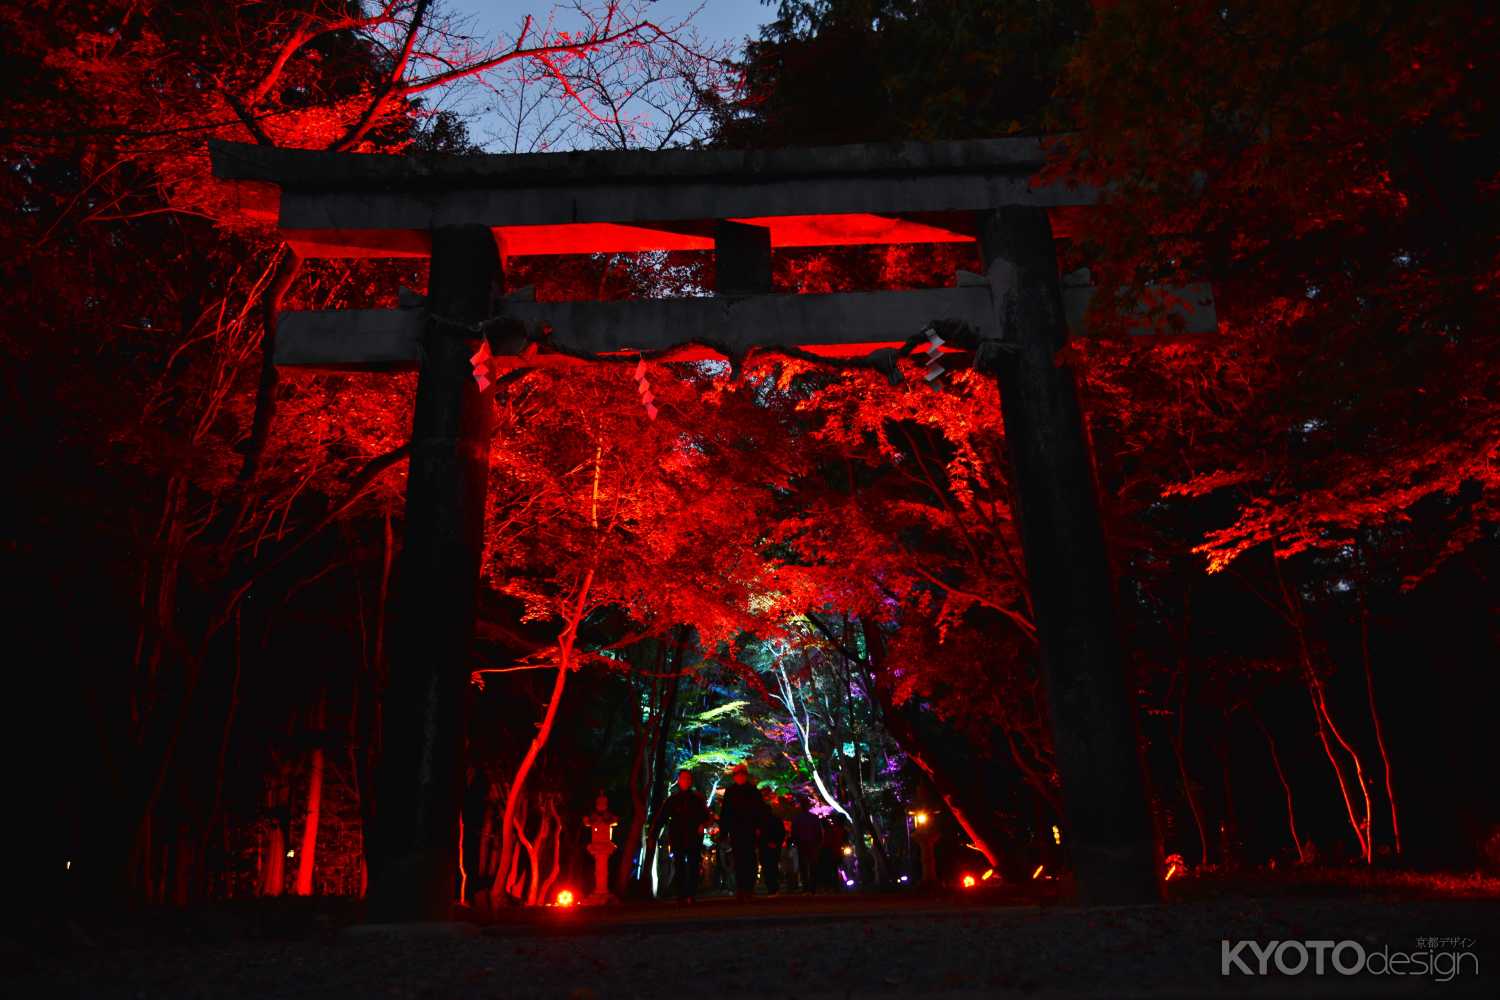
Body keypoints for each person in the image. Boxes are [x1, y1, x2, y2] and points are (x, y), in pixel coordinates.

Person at [658, 768, 711, 903]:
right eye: (683, 778)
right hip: (678, 836)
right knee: (679, 865)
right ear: (679, 780)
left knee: (693, 865)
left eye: (688, 778)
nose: (685, 781)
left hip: (694, 836)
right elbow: (663, 817)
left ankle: (691, 894)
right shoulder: (673, 799)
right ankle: (681, 894)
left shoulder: (697, 798)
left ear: (690, 781)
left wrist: (703, 825)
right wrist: (654, 833)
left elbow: (707, 817)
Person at [717, 763, 764, 901]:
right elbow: (725, 813)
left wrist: (759, 828)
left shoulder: (753, 791)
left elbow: (759, 811)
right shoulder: (731, 792)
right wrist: (724, 832)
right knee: (738, 860)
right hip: (736, 831)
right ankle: (741, 888)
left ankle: (748, 888)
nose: (740, 777)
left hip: (749, 830)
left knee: (749, 859)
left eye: (742, 774)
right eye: (738, 774)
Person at [790, 797, 822, 893]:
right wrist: (818, 843)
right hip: (811, 843)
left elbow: (794, 832)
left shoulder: (797, 818)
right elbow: (818, 832)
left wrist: (795, 841)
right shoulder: (813, 818)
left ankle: (806, 887)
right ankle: (812, 887)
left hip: (802, 843)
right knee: (812, 865)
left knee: (804, 865)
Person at [758, 788, 785, 895]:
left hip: (765, 847)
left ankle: (771, 887)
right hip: (774, 847)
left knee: (768, 867)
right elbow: (781, 833)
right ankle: (774, 887)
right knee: (773, 866)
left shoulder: (761, 821)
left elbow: (760, 835)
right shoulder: (776, 820)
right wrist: (777, 842)